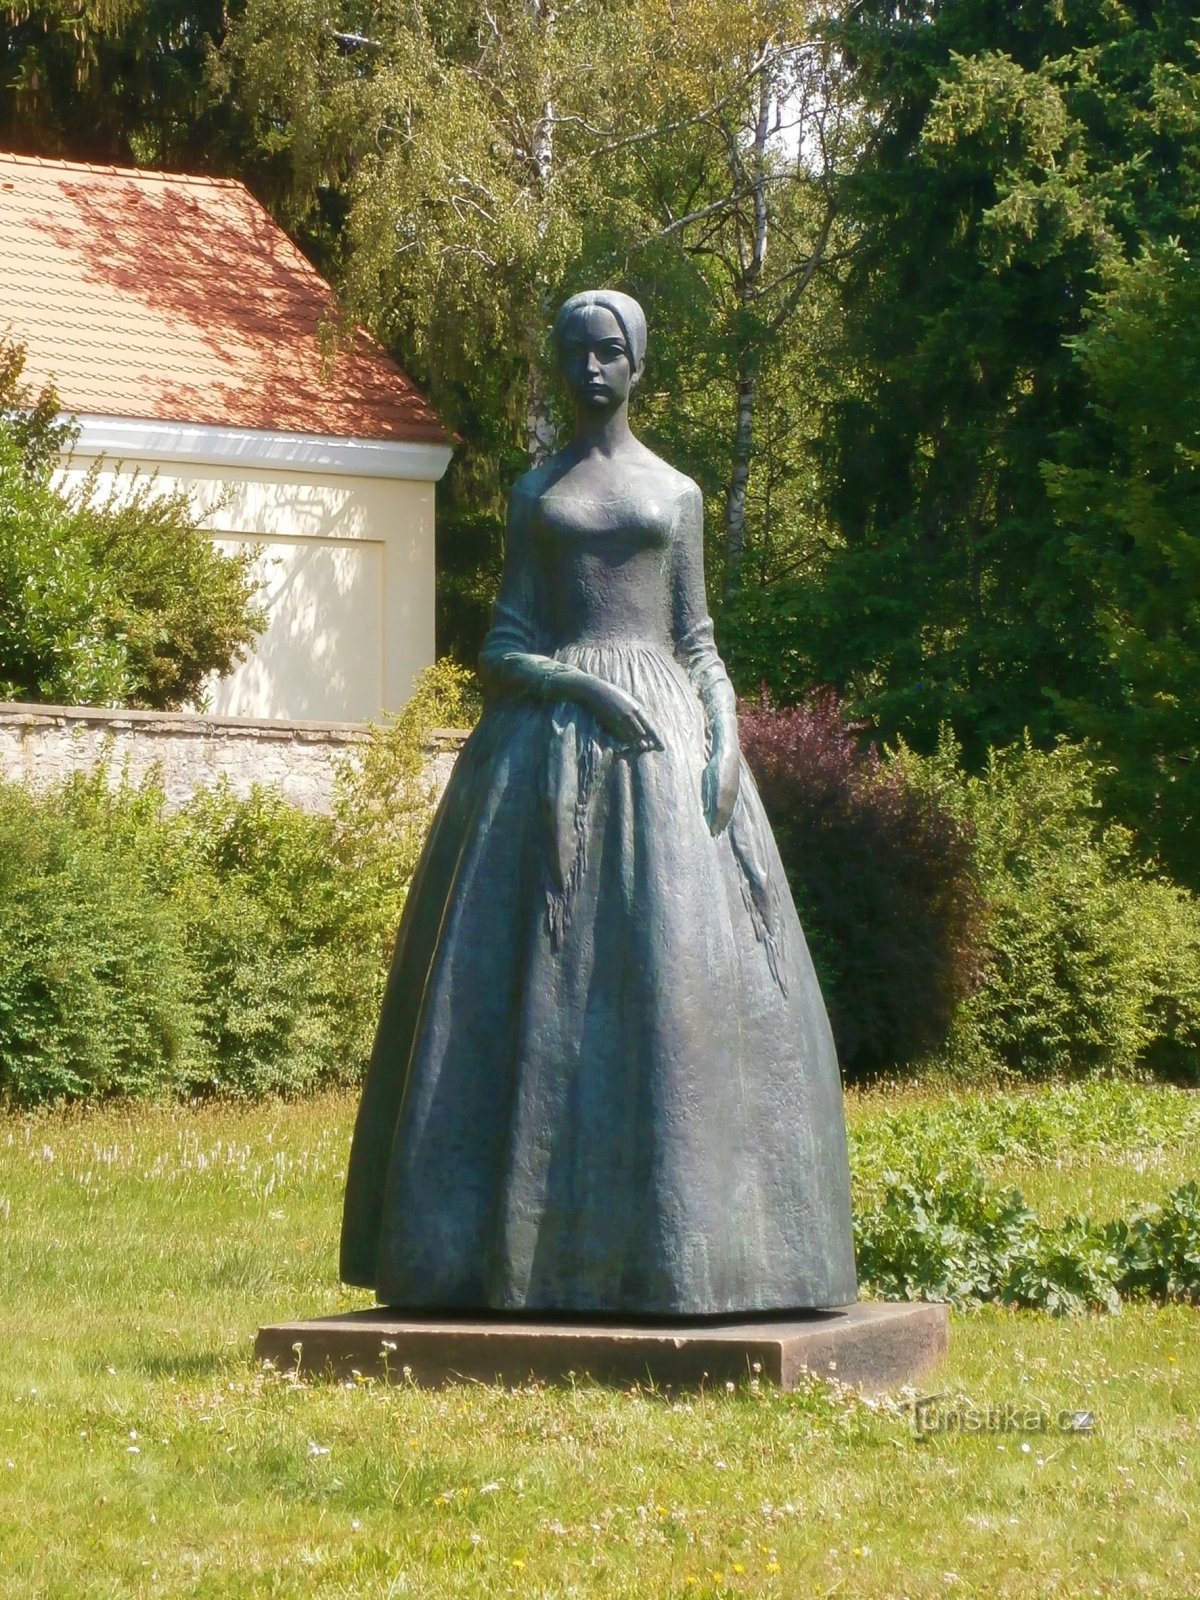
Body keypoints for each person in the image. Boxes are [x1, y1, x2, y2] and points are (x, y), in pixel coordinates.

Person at [340, 290, 857, 1316]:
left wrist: (725, 735)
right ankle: (509, 1252)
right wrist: (578, 685)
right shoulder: (535, 494)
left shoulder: (679, 494)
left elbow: (700, 640)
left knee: (676, 989)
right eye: (575, 350)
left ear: (639, 362)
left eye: (610, 349)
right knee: (524, 990)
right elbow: (501, 647)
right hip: (544, 755)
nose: (591, 367)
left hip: (669, 756)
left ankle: (696, 1248)